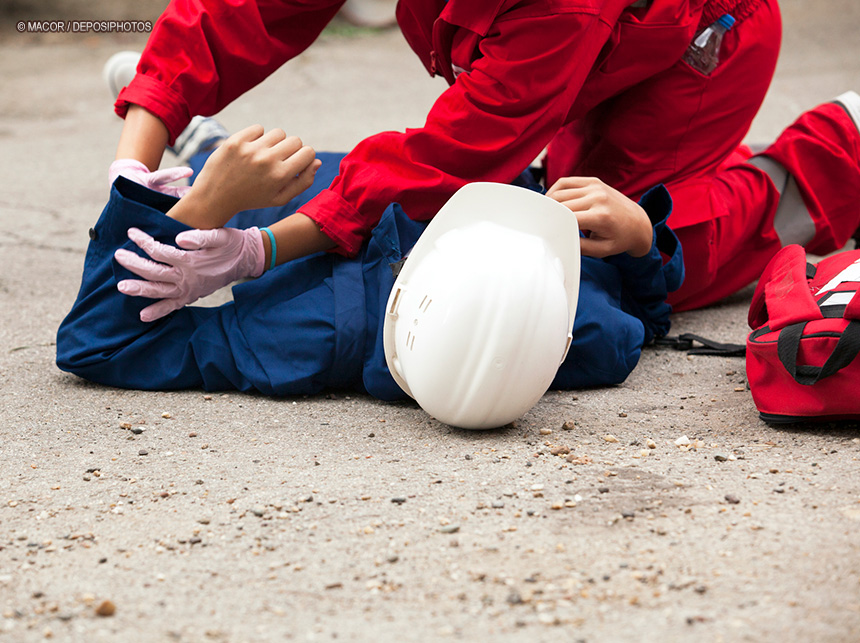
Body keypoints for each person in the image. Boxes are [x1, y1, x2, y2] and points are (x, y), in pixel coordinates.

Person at [105, 0, 860, 314]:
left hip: (702, 49)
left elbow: (452, 158)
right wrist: (133, 158)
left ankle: (830, 157)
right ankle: (201, 150)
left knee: (612, 251)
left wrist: (257, 249)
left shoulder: (560, 9)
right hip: (585, 53)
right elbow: (247, 12)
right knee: (526, 199)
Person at [56, 127, 683, 406]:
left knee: (258, 167)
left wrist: (191, 210)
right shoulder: (587, 332)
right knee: (309, 167)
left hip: (278, 197)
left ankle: (198, 156)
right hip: (353, 184)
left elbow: (96, 346)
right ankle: (204, 151)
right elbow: (649, 318)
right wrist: (637, 240)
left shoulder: (304, 342)